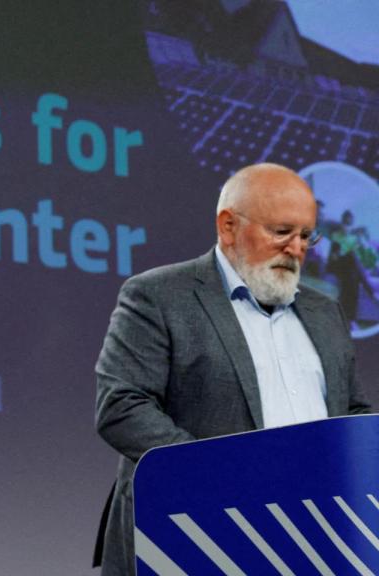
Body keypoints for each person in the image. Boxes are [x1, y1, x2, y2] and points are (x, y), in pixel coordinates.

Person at [93, 163, 370, 575]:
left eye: (306, 236)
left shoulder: (324, 311)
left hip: (316, 539)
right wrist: (220, 480)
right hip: (198, 534)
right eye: (281, 232)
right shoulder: (159, 295)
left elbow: (352, 414)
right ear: (228, 226)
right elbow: (123, 406)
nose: (296, 249)